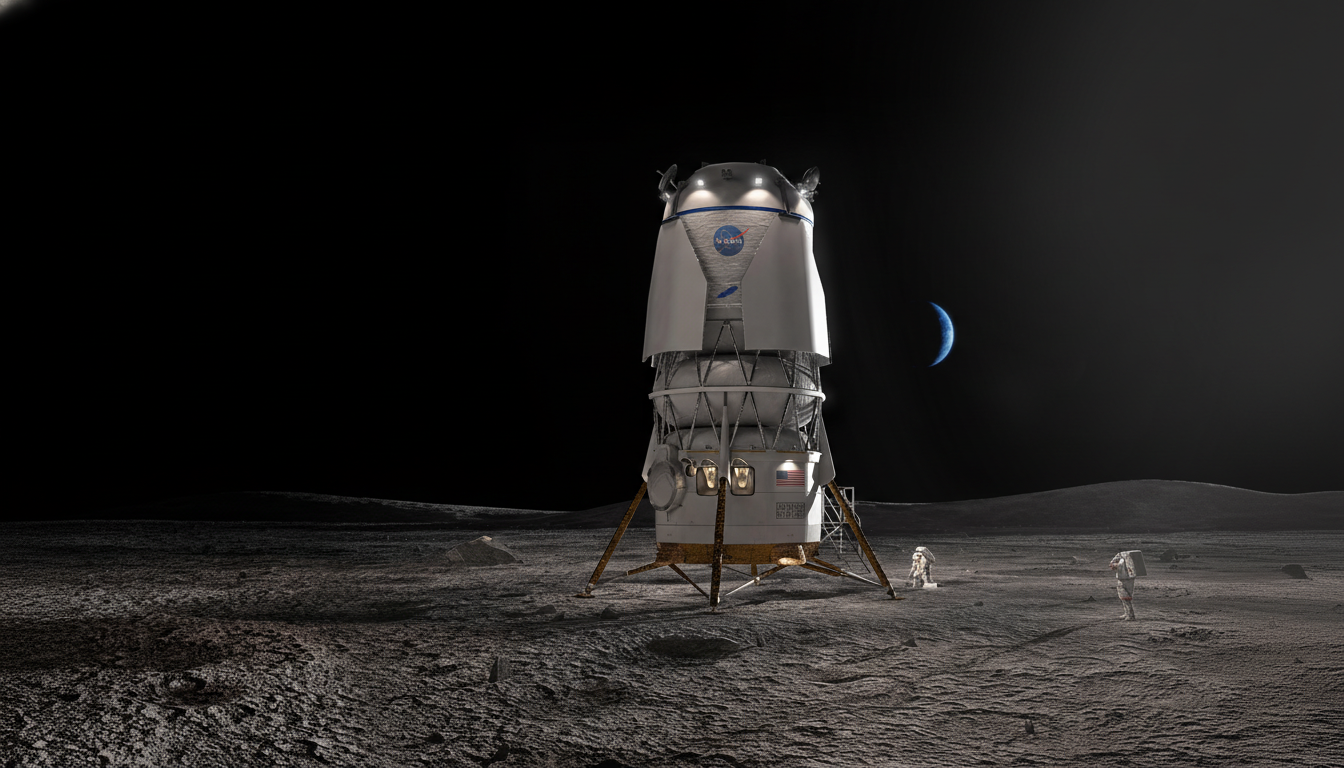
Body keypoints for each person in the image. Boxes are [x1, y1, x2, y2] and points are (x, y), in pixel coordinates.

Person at [1110, 551, 1138, 620]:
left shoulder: (1127, 558)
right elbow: (1112, 564)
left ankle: (1130, 614)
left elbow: (1131, 569)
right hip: (1122, 578)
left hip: (1127, 579)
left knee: (1126, 597)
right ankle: (1127, 613)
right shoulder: (1121, 558)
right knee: (1123, 596)